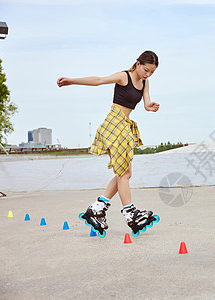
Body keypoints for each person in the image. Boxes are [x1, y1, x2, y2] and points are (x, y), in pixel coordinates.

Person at [57, 50, 160, 235]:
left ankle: (97, 208)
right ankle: (130, 212)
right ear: (137, 64)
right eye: (146, 69)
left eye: (151, 72)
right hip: (114, 124)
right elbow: (98, 80)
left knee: (124, 173)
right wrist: (72, 81)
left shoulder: (145, 82)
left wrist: (149, 107)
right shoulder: (123, 76)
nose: (148, 74)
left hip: (125, 126)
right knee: (124, 173)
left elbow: (145, 103)